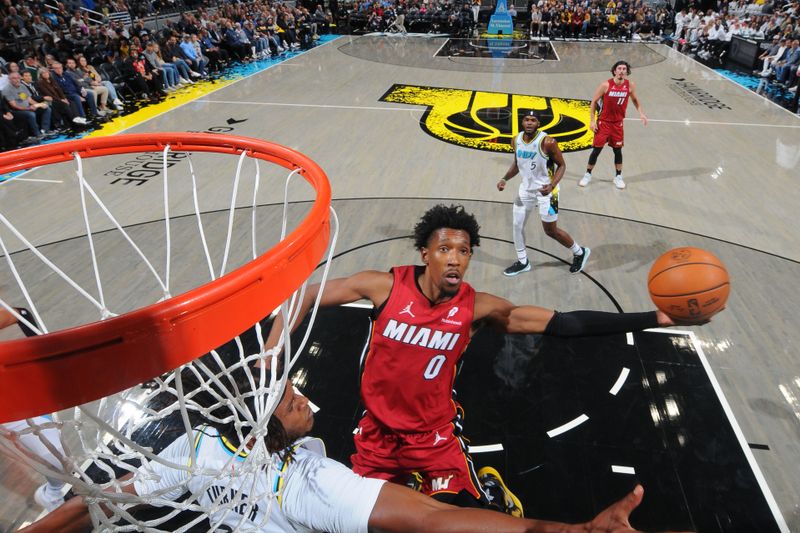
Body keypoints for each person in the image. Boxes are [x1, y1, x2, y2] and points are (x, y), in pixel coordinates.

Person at [263, 203, 715, 514]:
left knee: (461, 518)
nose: (455, 259)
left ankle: (490, 493)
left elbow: (563, 323)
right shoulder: (384, 287)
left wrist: (655, 317)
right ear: (424, 253)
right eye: (445, 249)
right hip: (376, 435)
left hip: (434, 438)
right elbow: (304, 294)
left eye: (464, 250)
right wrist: (274, 344)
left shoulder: (479, 309)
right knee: (372, 518)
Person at [19, 357, 678, 533]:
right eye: (286, 394)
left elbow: (100, 503)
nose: (303, 396)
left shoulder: (192, 450)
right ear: (254, 418)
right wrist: (566, 530)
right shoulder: (310, 482)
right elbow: (434, 518)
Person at [497, 111, 589, 277]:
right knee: (517, 225)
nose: (530, 123)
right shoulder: (516, 140)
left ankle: (580, 251)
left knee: (550, 231)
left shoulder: (548, 142)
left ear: (538, 123)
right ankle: (523, 261)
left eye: (533, 120)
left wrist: (552, 185)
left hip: (547, 193)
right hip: (525, 190)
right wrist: (505, 178)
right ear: (522, 122)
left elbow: (562, 165)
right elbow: (517, 164)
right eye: (527, 120)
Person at [0, 306, 67, 512]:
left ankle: (52, 495)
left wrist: (46, 360)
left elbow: (21, 314)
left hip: (11, 398)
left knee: (56, 459)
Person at [579, 60, 647, 190]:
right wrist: (592, 121)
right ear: (614, 71)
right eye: (619, 68)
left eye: (624, 69)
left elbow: (635, 100)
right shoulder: (605, 85)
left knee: (618, 150)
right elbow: (593, 102)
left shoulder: (630, 85)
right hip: (603, 123)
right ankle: (587, 174)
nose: (622, 71)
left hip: (617, 124)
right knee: (596, 150)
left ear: (627, 71)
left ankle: (618, 177)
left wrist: (641, 113)